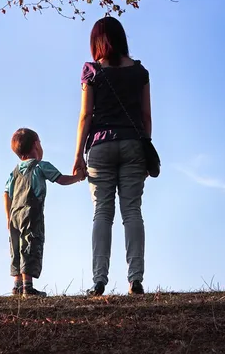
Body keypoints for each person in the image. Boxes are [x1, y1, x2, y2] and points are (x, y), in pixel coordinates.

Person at [73, 17, 152, 296]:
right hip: (133, 143)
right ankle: (136, 279)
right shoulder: (140, 72)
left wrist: (78, 156)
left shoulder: (92, 71)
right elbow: (145, 116)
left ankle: (99, 281)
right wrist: (146, 146)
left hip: (100, 146)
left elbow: (86, 116)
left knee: (102, 213)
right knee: (132, 211)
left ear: (96, 42)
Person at [5, 128, 85, 297]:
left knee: (16, 246)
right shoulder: (41, 166)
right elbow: (61, 180)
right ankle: (28, 287)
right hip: (31, 213)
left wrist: (8, 216)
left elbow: (6, 193)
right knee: (30, 244)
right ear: (36, 145)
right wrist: (78, 176)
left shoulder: (14, 172)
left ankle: (17, 285)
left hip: (14, 215)